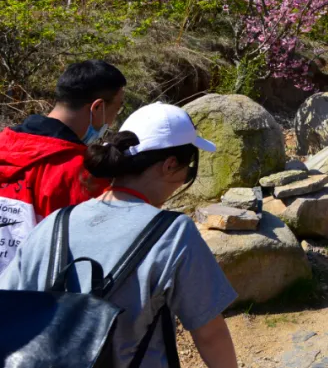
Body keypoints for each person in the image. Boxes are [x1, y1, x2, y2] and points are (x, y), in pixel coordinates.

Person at [0, 102, 238, 368]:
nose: (185, 177)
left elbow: (8, 305)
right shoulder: (173, 233)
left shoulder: (55, 223)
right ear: (170, 165)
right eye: (188, 168)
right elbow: (210, 334)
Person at [0, 60, 126, 275]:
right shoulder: (81, 174)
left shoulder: (3, 143)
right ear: (97, 107)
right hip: (30, 302)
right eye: (117, 108)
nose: (113, 120)